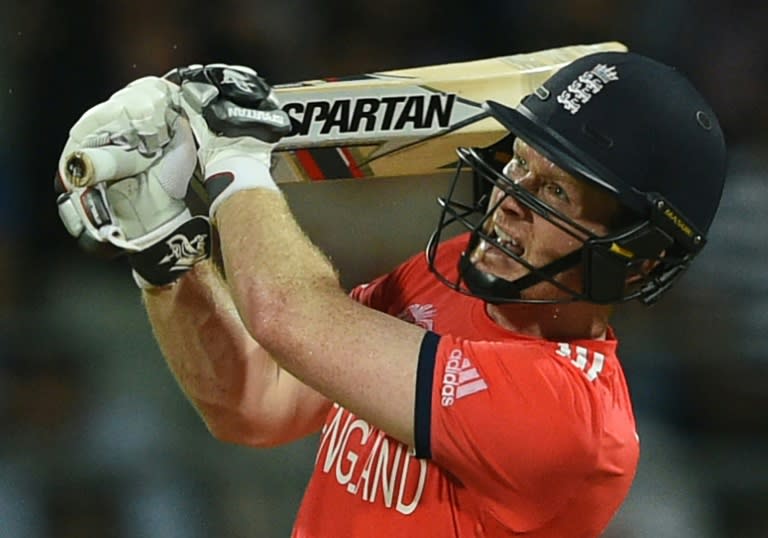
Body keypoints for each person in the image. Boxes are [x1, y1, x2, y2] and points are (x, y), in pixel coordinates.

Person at [55, 51, 727, 537]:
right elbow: (257, 405)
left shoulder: (575, 425)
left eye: (554, 192)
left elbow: (289, 315)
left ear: (636, 259)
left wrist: (235, 158)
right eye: (520, 161)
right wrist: (167, 254)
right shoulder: (458, 269)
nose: (508, 200)